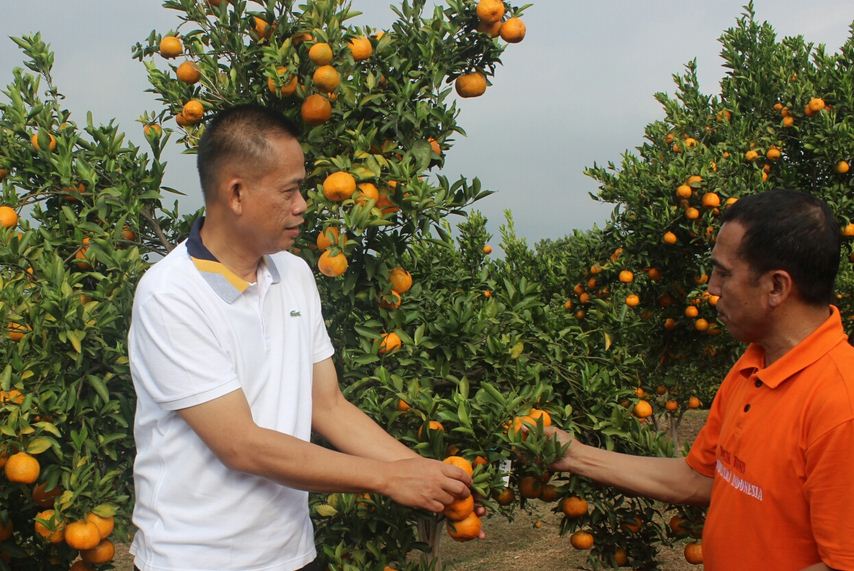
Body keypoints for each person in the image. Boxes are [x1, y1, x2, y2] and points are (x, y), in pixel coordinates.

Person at [128, 104, 473, 571]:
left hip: (291, 553)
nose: (302, 205)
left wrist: (431, 477)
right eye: (289, 190)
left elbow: (327, 406)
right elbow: (241, 444)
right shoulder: (171, 294)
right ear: (236, 193)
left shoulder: (293, 274)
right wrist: (388, 479)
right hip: (195, 558)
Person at [549, 189, 854, 571]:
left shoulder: (841, 404)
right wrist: (573, 454)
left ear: (776, 287)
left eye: (724, 273)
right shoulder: (753, 365)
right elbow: (699, 477)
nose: (711, 288)